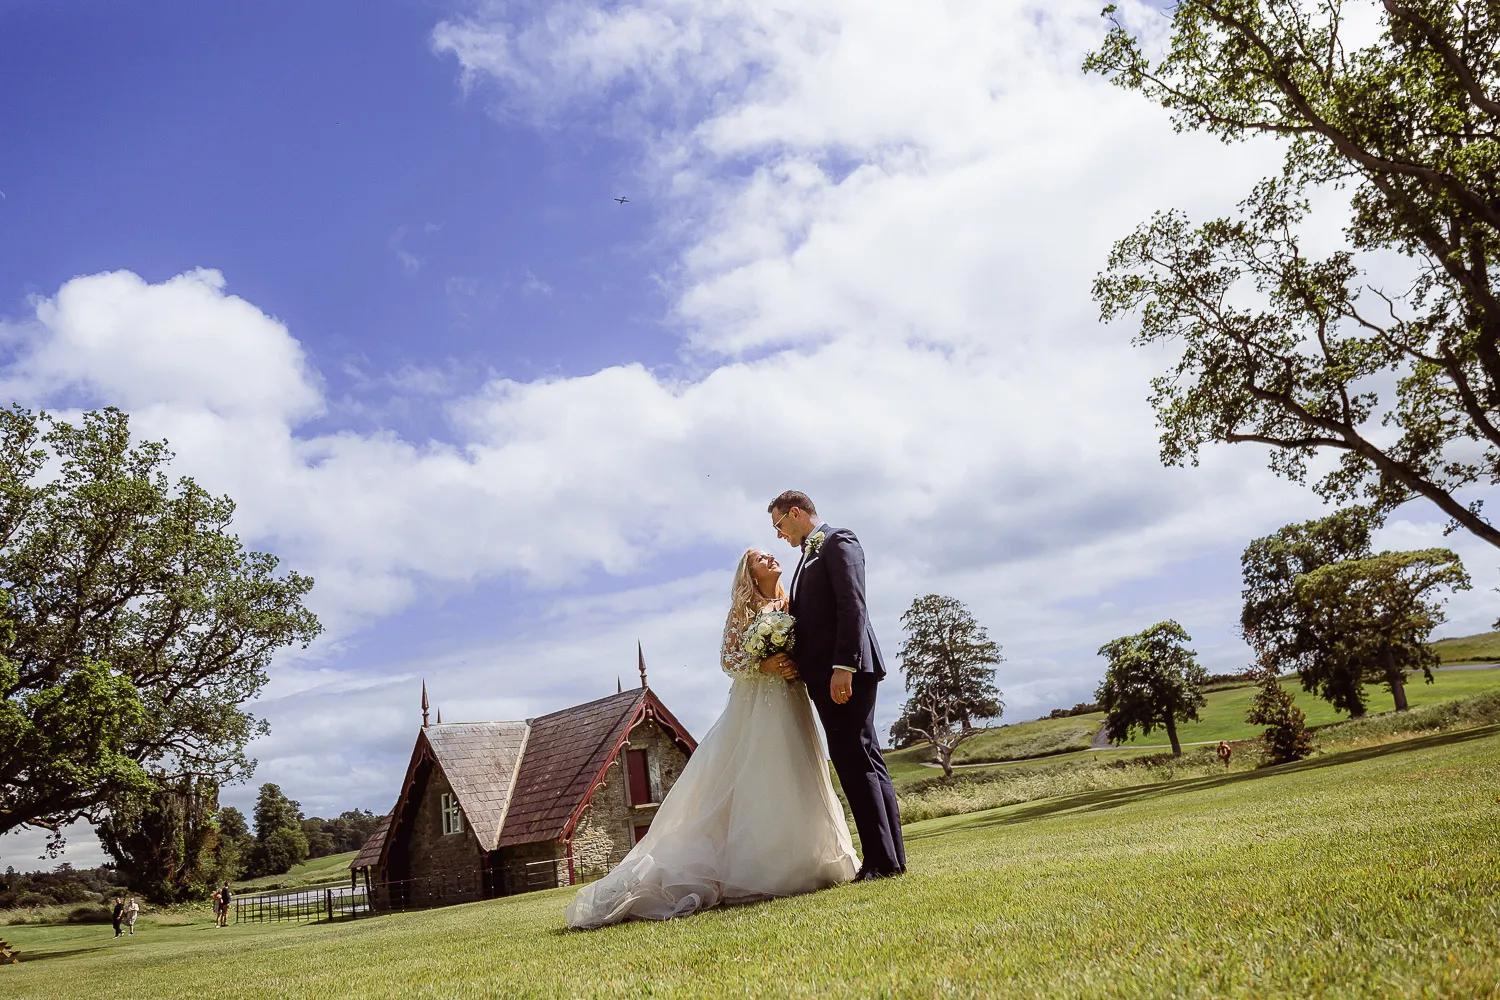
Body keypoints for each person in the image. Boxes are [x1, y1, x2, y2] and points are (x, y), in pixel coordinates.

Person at [565, 547, 857, 929]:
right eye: (760, 558)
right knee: (762, 774)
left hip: (791, 698)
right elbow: (728, 660)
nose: (770, 558)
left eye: (770, 554)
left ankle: (813, 859)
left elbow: (809, 647)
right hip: (757, 705)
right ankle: (766, 869)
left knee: (801, 773)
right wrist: (764, 663)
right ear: (750, 574)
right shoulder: (743, 611)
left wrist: (793, 666)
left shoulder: (793, 603)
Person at [763, 490, 906, 880]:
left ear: (796, 513)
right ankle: (890, 859)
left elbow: (852, 603)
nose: (779, 535)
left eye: (779, 525)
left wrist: (844, 666)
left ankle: (880, 862)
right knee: (862, 758)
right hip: (826, 674)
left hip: (845, 672)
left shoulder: (837, 541)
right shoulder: (806, 557)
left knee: (855, 758)